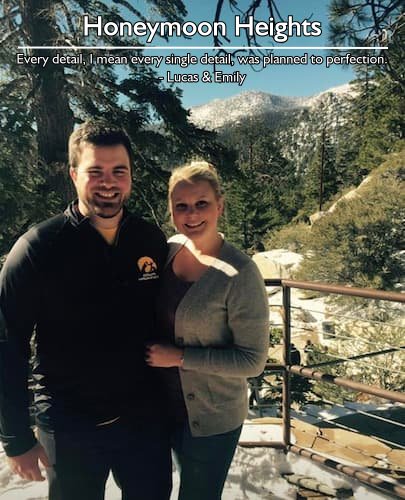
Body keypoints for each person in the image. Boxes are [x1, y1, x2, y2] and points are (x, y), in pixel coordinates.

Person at [0, 121, 171, 500]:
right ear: (75, 174)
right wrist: (15, 437)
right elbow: (6, 344)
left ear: (130, 177)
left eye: (118, 171)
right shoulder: (38, 249)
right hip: (69, 424)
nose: (108, 182)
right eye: (95, 171)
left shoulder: (149, 239)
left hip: (143, 420)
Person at [146, 161, 269, 500]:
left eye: (202, 204)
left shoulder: (241, 273)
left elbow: (253, 361)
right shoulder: (170, 250)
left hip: (212, 419)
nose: (192, 214)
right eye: (181, 206)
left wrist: (181, 358)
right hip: (160, 409)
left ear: (220, 205)